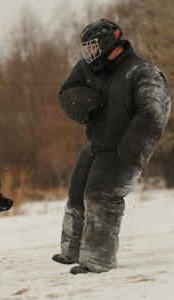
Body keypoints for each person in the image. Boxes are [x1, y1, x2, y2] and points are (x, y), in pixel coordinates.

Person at [52, 19, 171, 275]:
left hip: (122, 150)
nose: (88, 52)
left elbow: (154, 112)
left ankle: (97, 261)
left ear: (108, 42)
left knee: (99, 198)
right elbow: (67, 91)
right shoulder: (88, 68)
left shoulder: (143, 72)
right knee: (77, 195)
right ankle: (72, 250)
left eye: (92, 46)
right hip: (96, 145)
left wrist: (130, 150)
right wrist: (87, 104)